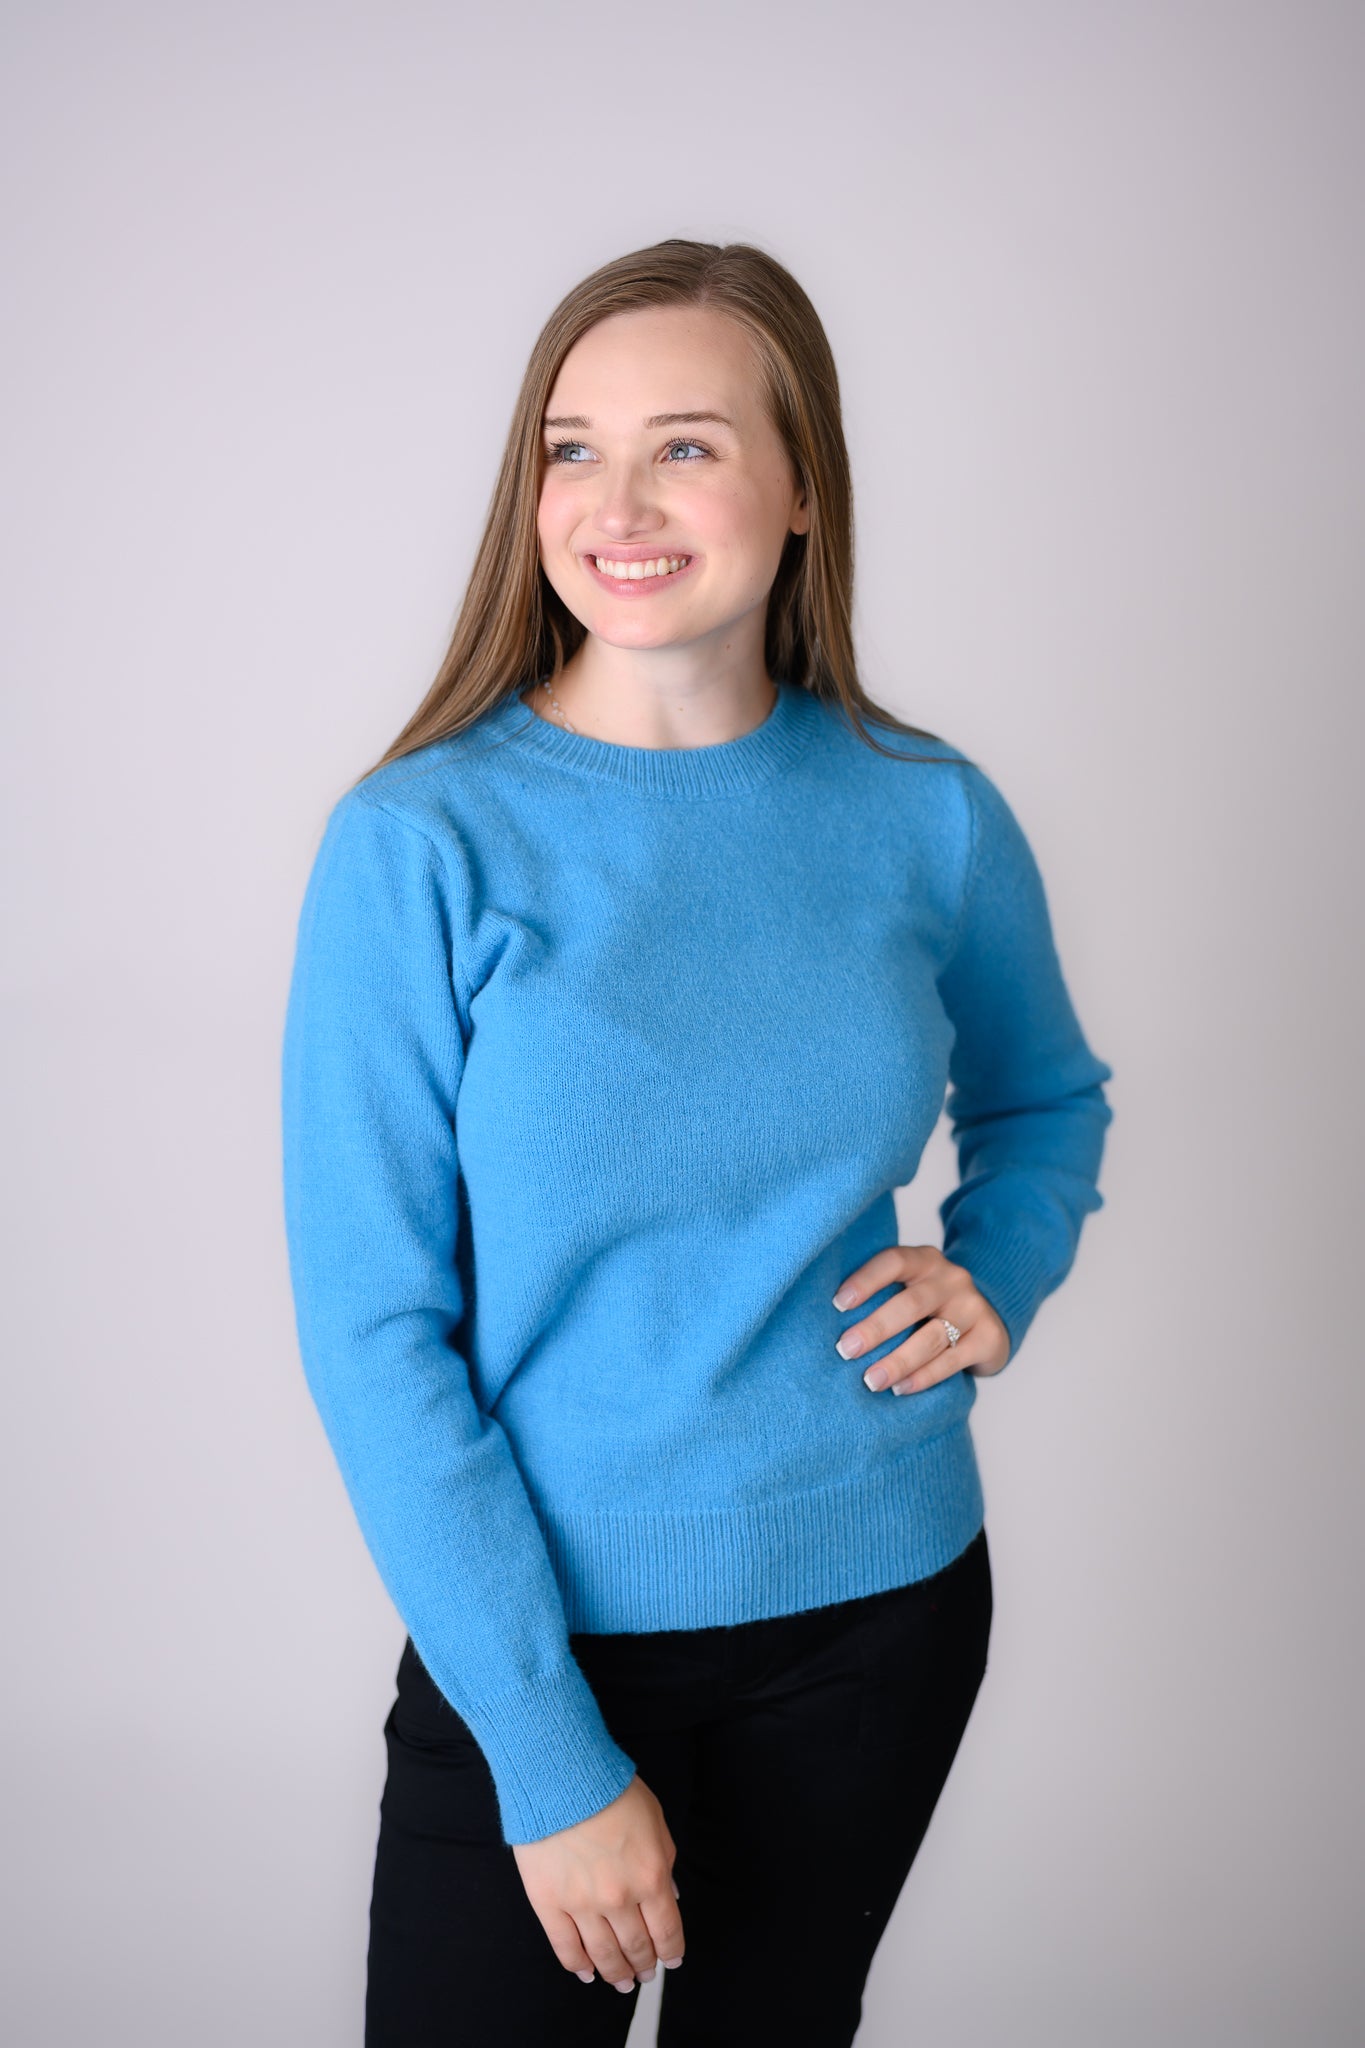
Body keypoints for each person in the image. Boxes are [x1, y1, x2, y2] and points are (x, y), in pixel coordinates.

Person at [280, 237, 1114, 2047]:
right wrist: (545, 1754)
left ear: (802, 488)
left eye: (685, 445)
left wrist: (999, 1266)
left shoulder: (923, 810)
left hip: (878, 1612)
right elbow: (372, 1330)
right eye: (570, 450)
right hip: (539, 1636)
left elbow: (1045, 1098)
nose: (618, 504)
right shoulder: (421, 843)